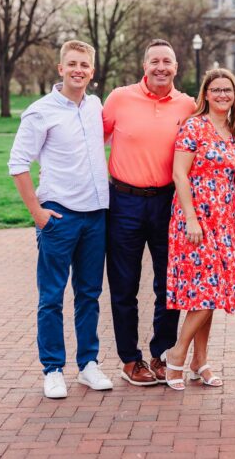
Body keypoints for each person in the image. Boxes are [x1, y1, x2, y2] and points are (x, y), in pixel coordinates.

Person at [8, 40, 113, 398]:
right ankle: (52, 369)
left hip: (96, 215)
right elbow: (17, 163)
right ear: (60, 68)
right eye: (72, 64)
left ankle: (88, 365)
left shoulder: (95, 106)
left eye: (84, 65)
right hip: (59, 216)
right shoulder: (40, 112)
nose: (78, 70)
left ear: (92, 71)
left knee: (89, 295)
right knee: (51, 297)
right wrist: (37, 213)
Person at [102, 39, 196, 386]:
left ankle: (161, 354)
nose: (161, 67)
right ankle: (130, 360)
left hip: (167, 202)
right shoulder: (119, 98)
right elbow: (91, 140)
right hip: (123, 201)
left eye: (167, 62)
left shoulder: (187, 105)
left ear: (176, 68)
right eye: (154, 61)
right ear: (144, 66)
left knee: (169, 283)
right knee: (124, 284)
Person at [160, 69, 235, 391]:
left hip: (224, 220)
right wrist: (191, 218)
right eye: (216, 90)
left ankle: (200, 361)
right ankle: (177, 353)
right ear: (206, 94)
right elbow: (179, 174)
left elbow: (232, 177)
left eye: (228, 90)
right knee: (208, 290)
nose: (222, 95)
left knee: (211, 290)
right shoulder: (194, 126)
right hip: (195, 219)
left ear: (234, 95)